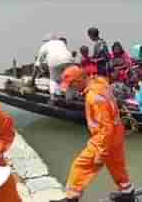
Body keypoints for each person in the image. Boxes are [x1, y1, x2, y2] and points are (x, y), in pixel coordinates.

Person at [51, 67, 134, 202]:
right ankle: (127, 191)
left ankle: (71, 197)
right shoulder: (100, 83)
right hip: (116, 132)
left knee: (80, 165)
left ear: (81, 80)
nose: (72, 88)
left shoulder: (93, 96)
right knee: (116, 165)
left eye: (72, 85)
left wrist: (101, 151)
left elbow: (105, 127)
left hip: (104, 137)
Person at [33, 33, 74, 104]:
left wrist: (32, 79)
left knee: (53, 79)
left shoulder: (45, 45)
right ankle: (69, 100)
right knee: (68, 79)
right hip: (69, 60)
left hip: (54, 60)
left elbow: (37, 64)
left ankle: (53, 98)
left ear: (47, 40)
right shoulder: (61, 42)